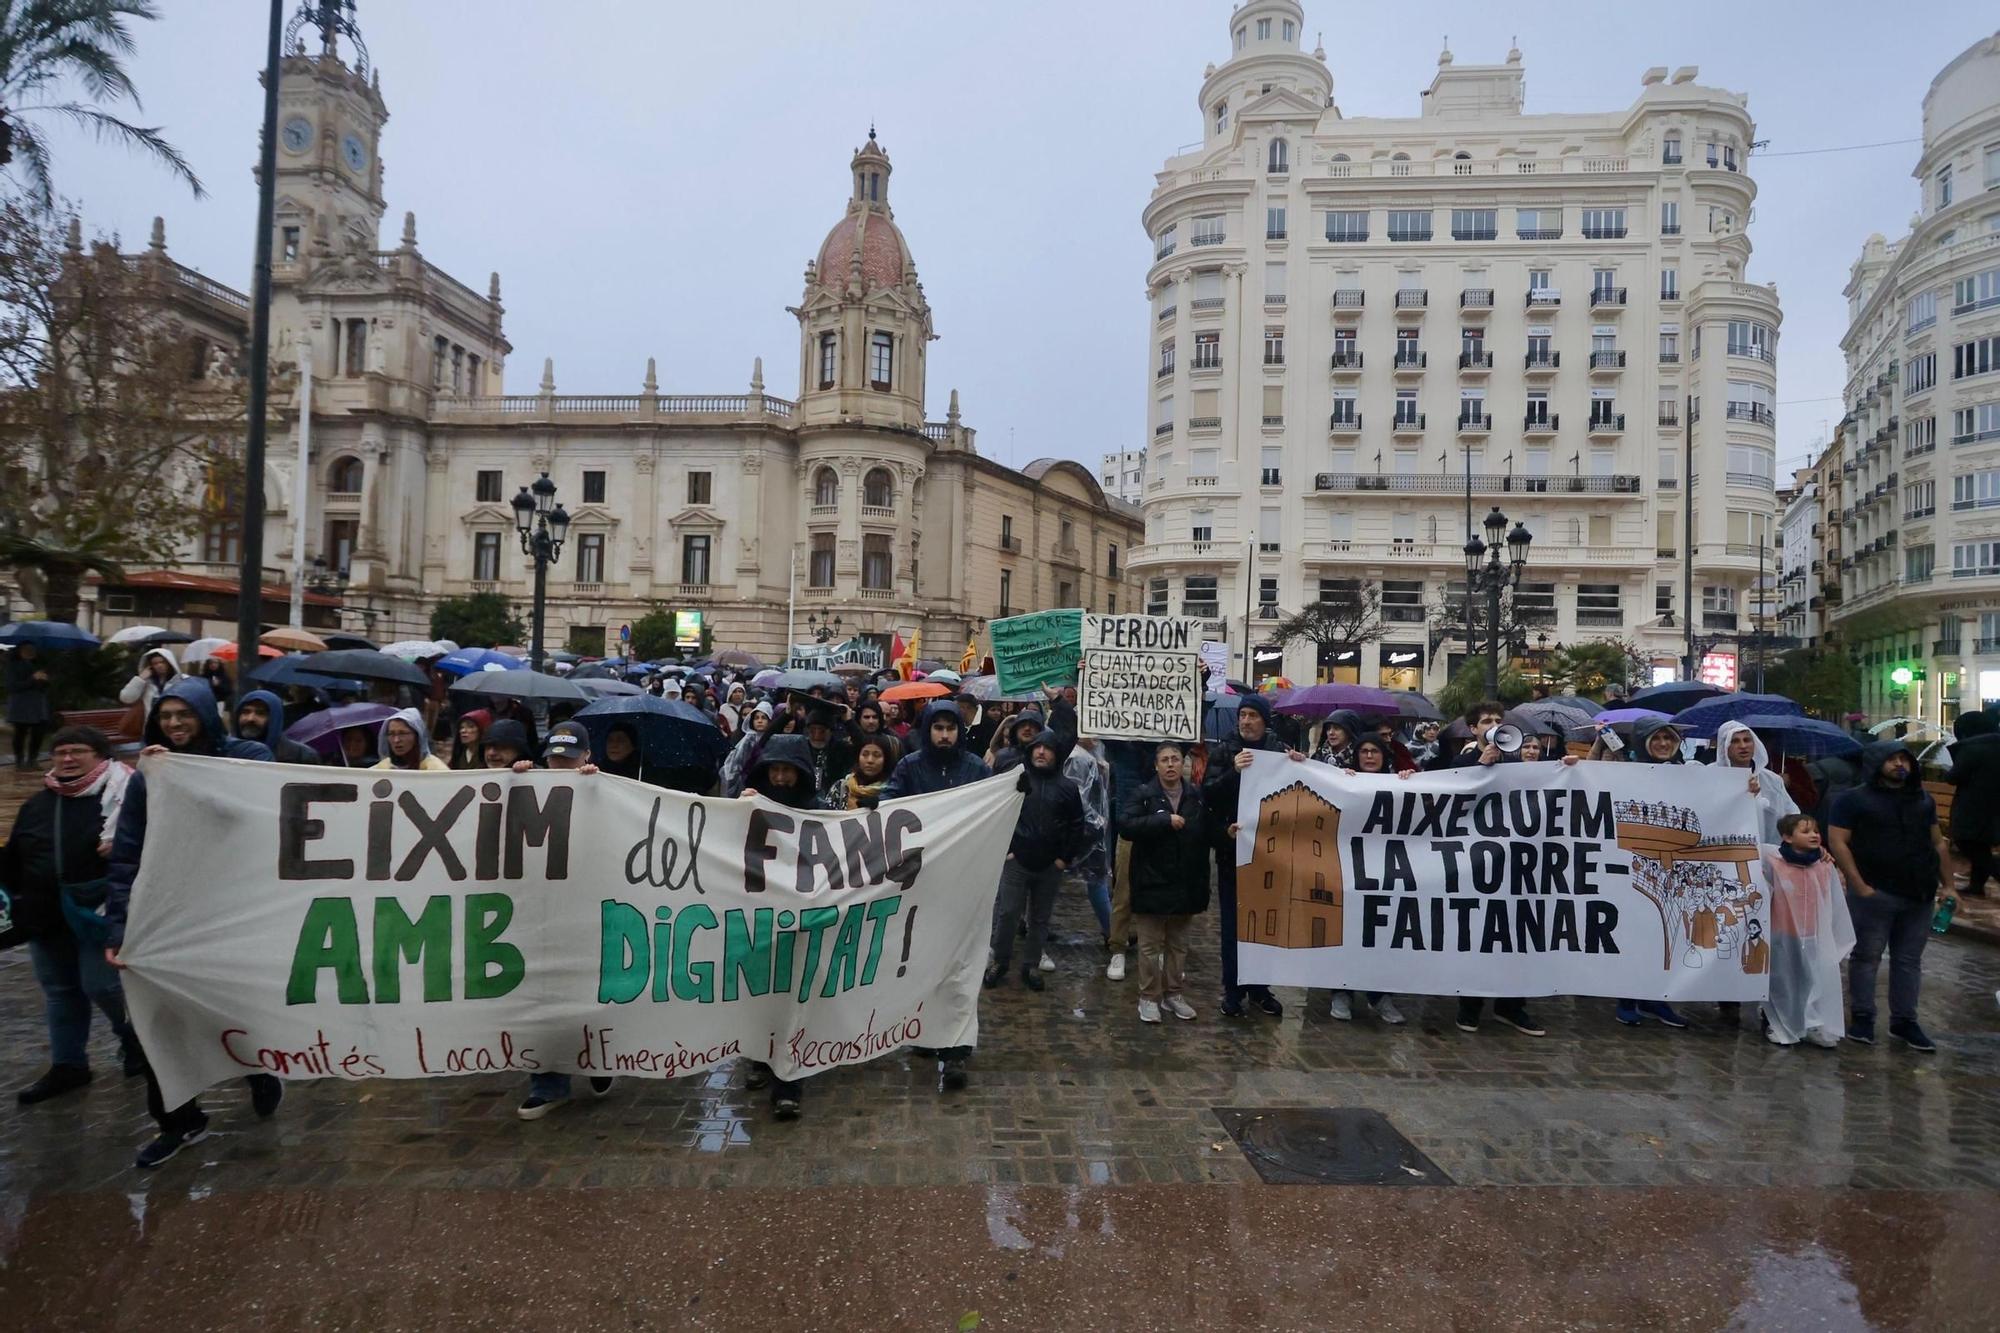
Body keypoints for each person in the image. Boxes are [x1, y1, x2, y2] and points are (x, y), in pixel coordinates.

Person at [103, 678, 280, 1168]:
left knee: (233, 1008)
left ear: (204, 715)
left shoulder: (247, 755)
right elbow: (128, 855)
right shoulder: (149, 775)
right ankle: (178, 1121)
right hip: (166, 915)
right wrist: (119, 927)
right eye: (166, 716)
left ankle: (258, 1067)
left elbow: (254, 806)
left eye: (185, 714)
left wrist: (182, 774)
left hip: (230, 910)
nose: (175, 724)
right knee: (157, 1021)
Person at [6, 726, 144, 1102]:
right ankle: (69, 1065)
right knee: (60, 991)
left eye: (77, 751)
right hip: (45, 915)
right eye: (60, 752)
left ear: (100, 755)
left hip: (99, 913)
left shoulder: (124, 797)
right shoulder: (38, 804)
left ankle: (135, 1040)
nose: (67, 759)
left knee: (102, 986)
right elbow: (15, 854)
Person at [880, 699, 990, 1091]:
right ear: (928, 730)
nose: (945, 735)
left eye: (951, 728)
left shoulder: (976, 768)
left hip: (963, 883)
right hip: (922, 883)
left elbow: (992, 802)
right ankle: (925, 1032)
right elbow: (889, 802)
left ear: (960, 731)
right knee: (922, 962)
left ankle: (956, 1048)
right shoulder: (910, 767)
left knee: (960, 967)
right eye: (938, 728)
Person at [1828, 740, 1956, 1052]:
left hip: (1919, 893)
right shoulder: (1852, 800)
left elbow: (1937, 843)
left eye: (1904, 759)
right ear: (1876, 763)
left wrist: (1949, 885)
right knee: (1866, 957)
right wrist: (1858, 884)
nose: (1900, 764)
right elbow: (1838, 841)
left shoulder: (1922, 800)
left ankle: (1905, 1020)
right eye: (1892, 759)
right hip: (1875, 891)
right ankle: (1863, 1017)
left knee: (1909, 960)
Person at [514, 722, 612, 1118]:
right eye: (554, 759)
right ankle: (548, 1083)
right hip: (539, 909)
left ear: (586, 756)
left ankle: (600, 1059)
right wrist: (513, 781)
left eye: (569, 759)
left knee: (590, 990)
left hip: (588, 908)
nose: (560, 765)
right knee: (543, 996)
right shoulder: (529, 786)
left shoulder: (601, 788)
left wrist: (597, 788)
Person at [1204, 692, 1304, 1018]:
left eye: (1252, 716)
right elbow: (1209, 795)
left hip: (1270, 854)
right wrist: (1233, 771)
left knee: (1265, 924)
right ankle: (1233, 990)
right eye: (1242, 715)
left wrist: (1301, 766)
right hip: (1233, 851)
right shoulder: (1225, 750)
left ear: (1264, 720)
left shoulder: (1278, 751)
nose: (1246, 721)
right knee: (1233, 924)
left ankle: (1260, 988)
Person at [738, 732, 822, 1118]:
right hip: (759, 916)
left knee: (793, 1002)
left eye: (789, 770)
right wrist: (739, 810)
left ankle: (789, 1084)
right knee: (761, 995)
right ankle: (759, 1058)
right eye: (775, 770)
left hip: (801, 920)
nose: (781, 778)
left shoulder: (818, 812)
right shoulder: (748, 804)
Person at [987, 729, 1090, 991]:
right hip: (1017, 861)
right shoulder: (1018, 780)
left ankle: (1031, 965)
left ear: (1056, 754)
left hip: (1050, 865)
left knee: (1040, 918)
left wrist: (1064, 859)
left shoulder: (1067, 788)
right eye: (1037, 747)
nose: (1041, 752)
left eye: (1048, 748)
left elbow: (1077, 825)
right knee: (1008, 913)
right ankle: (1000, 961)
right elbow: (1000, 814)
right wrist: (1007, 850)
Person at [1609, 717, 1694, 1030]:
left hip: (1671, 866)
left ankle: (1655, 997)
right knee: (1634, 933)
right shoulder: (1626, 773)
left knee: (1664, 933)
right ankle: (1627, 998)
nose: (1663, 744)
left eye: (1668, 738)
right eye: (1656, 738)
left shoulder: (1690, 774)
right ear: (1643, 742)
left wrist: (1744, 788)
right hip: (1632, 864)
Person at [1121, 742, 1214, 1023]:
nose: (1171, 764)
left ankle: (1174, 994)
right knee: (1150, 946)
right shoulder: (1144, 794)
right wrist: (1162, 821)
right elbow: (1126, 825)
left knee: (1178, 945)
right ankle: (1149, 997)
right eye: (1165, 760)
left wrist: (1227, 833)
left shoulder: (1195, 795)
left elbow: (1207, 831)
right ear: (1156, 765)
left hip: (1186, 882)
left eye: (1175, 759)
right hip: (1152, 881)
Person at [1759, 814, 1854, 1048]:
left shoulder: (1823, 866)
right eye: (1805, 831)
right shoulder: (1773, 862)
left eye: (1816, 831)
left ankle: (1811, 1022)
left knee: (1812, 980)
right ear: (1787, 837)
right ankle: (1776, 1022)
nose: (1813, 835)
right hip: (1782, 933)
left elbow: (1832, 900)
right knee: (1782, 980)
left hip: (1812, 933)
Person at [1065, 735, 1113, 961]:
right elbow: (1077, 795)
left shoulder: (1094, 754)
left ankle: (1111, 930)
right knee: (1093, 879)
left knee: (1097, 879)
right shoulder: (1078, 758)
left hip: (1092, 829)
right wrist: (1095, 822)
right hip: (1085, 830)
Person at [1713, 721, 1798, 845]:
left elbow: (1791, 815)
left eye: (1747, 740)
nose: (1743, 746)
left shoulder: (1772, 780)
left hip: (1766, 849)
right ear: (1724, 746)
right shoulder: (1711, 776)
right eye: (1735, 741)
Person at [1944, 710, 2000, 897]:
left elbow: (1954, 777)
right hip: (1994, 806)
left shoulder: (1972, 748)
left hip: (1973, 805)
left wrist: (1947, 771)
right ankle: (1976, 886)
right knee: (1981, 846)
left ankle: (1985, 880)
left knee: (1968, 843)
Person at [233, 690, 320, 766]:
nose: (250, 719)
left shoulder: (302, 755)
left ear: (274, 719)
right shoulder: (228, 750)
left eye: (260, 713)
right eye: (246, 712)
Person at [6, 642, 54, 771]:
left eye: (33, 649)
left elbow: (45, 687)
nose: (30, 652)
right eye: (27, 649)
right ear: (20, 651)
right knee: (20, 733)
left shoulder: (38, 664)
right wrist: (33, 678)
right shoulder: (14, 665)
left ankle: (32, 760)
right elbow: (13, 686)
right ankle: (19, 761)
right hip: (21, 704)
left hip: (38, 705)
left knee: (38, 733)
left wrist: (45, 679)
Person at [802, 704, 854, 803]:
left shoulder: (842, 749)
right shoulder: (801, 747)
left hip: (834, 801)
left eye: (822, 731)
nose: (817, 736)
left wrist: (849, 722)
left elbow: (863, 746)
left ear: (831, 731)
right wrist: (787, 716)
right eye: (812, 731)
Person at [374, 708, 450, 771]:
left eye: (403, 733)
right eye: (391, 734)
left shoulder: (436, 770)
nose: (396, 740)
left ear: (417, 735)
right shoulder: (383, 768)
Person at [117, 649, 181, 717]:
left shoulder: (182, 680)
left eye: (163, 662)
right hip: (151, 721)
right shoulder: (146, 682)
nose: (159, 665)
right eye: (155, 663)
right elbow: (126, 698)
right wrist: (140, 679)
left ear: (170, 663)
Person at [842, 734, 898, 810]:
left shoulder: (894, 790)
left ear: (886, 760)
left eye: (877, 755)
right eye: (865, 754)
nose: (870, 760)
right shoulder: (842, 787)